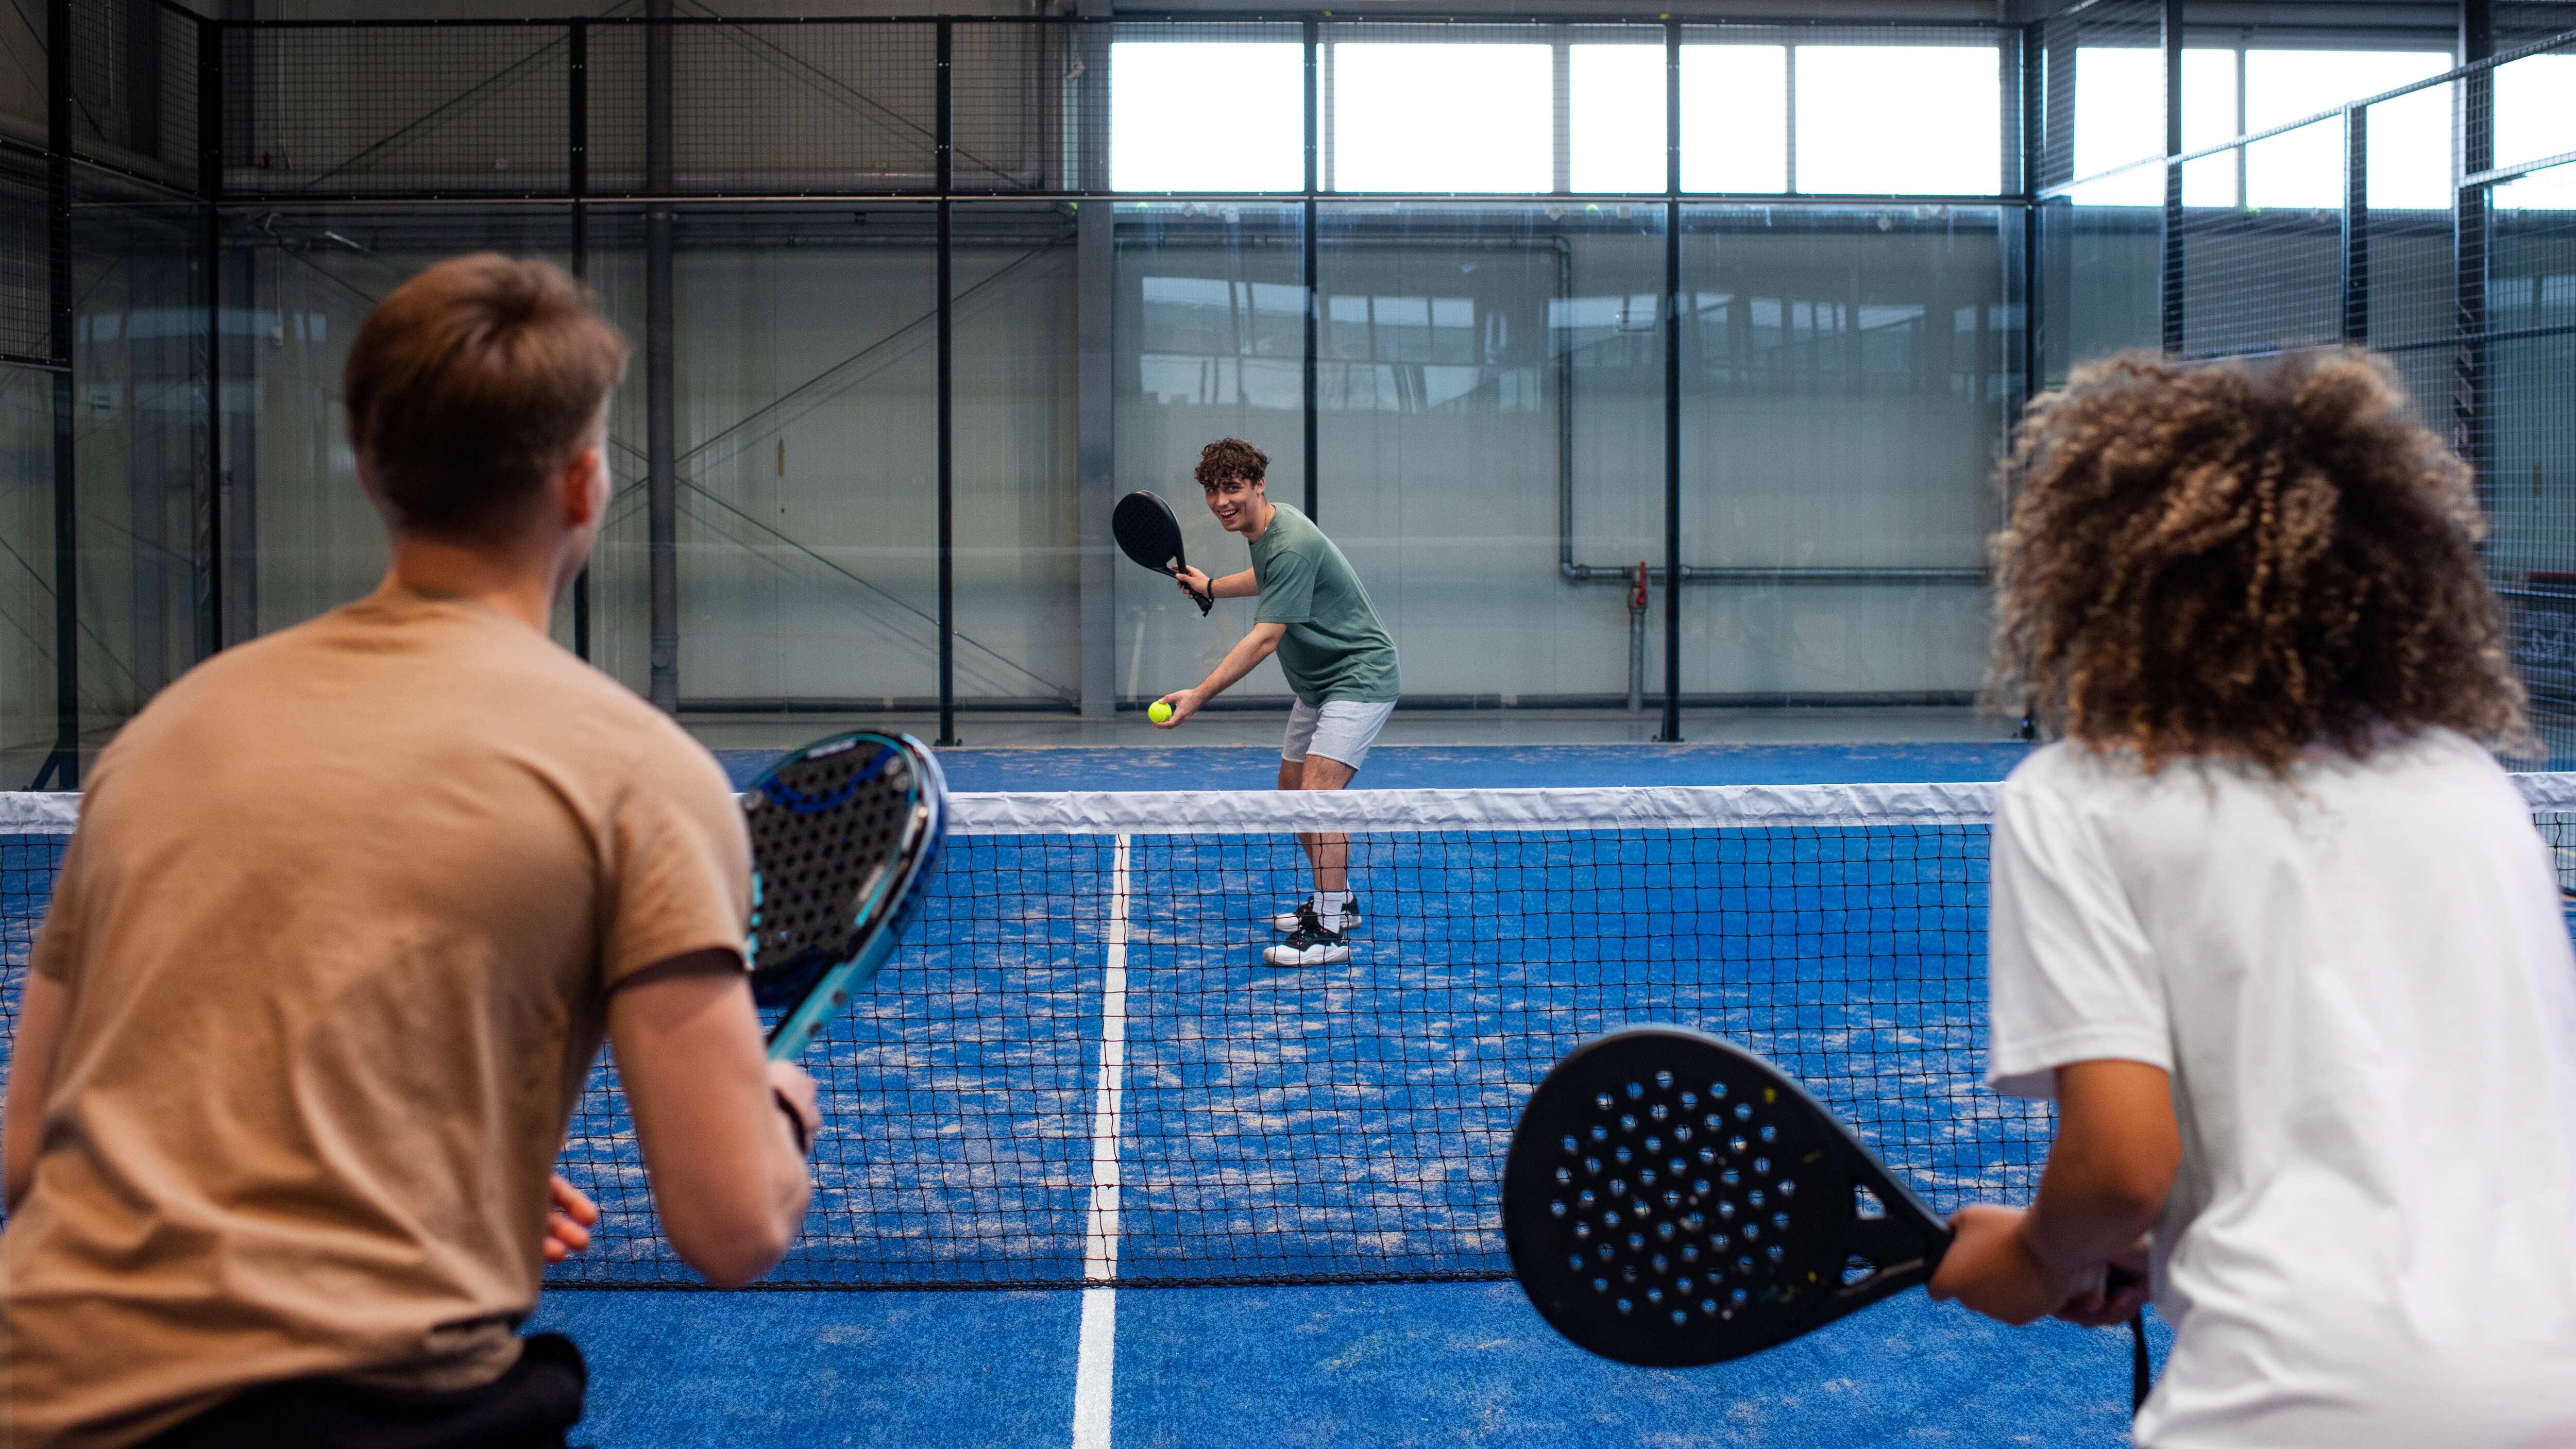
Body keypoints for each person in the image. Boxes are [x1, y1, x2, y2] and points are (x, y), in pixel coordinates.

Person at [1, 255, 820, 1448]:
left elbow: (31, 1150)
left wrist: (406, 1162)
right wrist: (779, 1109)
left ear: (375, 471)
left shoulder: (161, 737)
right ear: (583, 482)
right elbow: (731, 1220)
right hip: (365, 1410)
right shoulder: (638, 773)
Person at [1927, 350, 2576, 1445]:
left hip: (2304, 1395)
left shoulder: (2083, 796)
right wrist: (2162, 1242)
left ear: (2098, 576)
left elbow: (2122, 1164)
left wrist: (2041, 1254)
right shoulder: (2469, 782)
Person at [1152, 438, 1401, 968]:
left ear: (1258, 485)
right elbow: (1270, 581)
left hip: (1358, 676)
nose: (1221, 501)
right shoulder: (1268, 528)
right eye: (1213, 490)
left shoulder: (1287, 539)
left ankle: (1329, 931)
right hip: (1317, 683)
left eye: (1232, 488)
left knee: (1318, 795)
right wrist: (1213, 586)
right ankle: (1342, 900)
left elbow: (1265, 638)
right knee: (1292, 794)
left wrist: (1197, 695)